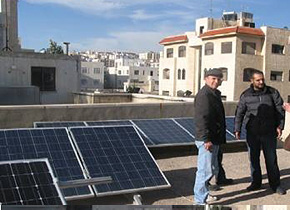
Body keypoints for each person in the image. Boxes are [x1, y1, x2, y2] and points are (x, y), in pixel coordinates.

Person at [234, 68, 286, 195]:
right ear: (252, 81)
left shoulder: (273, 92)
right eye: (258, 80)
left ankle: (275, 185)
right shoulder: (246, 95)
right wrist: (237, 129)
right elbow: (239, 113)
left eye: (262, 79)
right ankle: (256, 183)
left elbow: (280, 110)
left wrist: (280, 126)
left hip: (269, 132)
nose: (261, 82)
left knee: (271, 160)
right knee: (254, 159)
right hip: (253, 133)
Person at [193, 68, 226, 204]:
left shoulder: (213, 94)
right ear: (206, 79)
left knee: (211, 169)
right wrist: (206, 139)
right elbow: (201, 119)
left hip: (214, 138)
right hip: (207, 139)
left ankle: (204, 194)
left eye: (218, 79)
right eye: (213, 78)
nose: (216, 81)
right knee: (204, 171)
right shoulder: (204, 95)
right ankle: (200, 200)